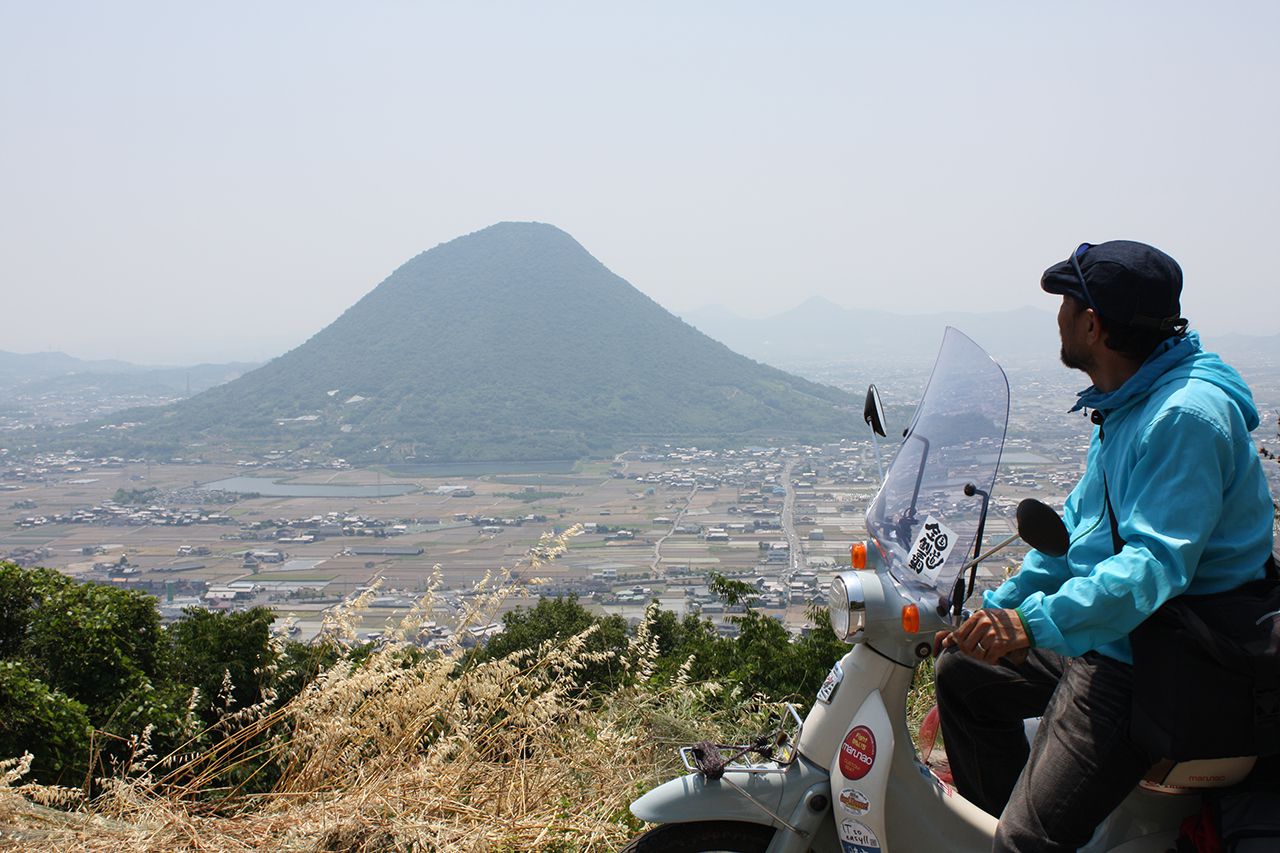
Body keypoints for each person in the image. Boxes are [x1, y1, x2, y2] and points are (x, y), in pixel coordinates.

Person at [933, 240, 1276, 852]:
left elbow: (1152, 568)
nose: (1058, 317)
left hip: (1163, 652)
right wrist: (1000, 610)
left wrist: (1032, 623)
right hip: (1121, 626)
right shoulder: (1128, 401)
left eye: (1067, 304)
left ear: (1092, 325)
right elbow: (1078, 536)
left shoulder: (1181, 417)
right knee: (964, 674)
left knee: (1026, 840)